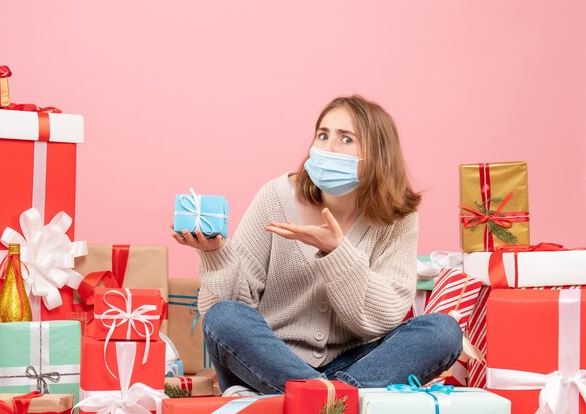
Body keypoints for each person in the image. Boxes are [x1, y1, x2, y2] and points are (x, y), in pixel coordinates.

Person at [171, 95, 462, 396]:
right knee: (223, 316)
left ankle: (319, 398)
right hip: (270, 363)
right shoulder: (276, 197)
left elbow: (381, 318)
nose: (327, 148)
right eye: (322, 135)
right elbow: (234, 307)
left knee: (443, 332)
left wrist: (338, 252)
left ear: (377, 153)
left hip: (356, 365)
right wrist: (214, 255)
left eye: (346, 139)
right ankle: (336, 400)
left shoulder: (397, 217)